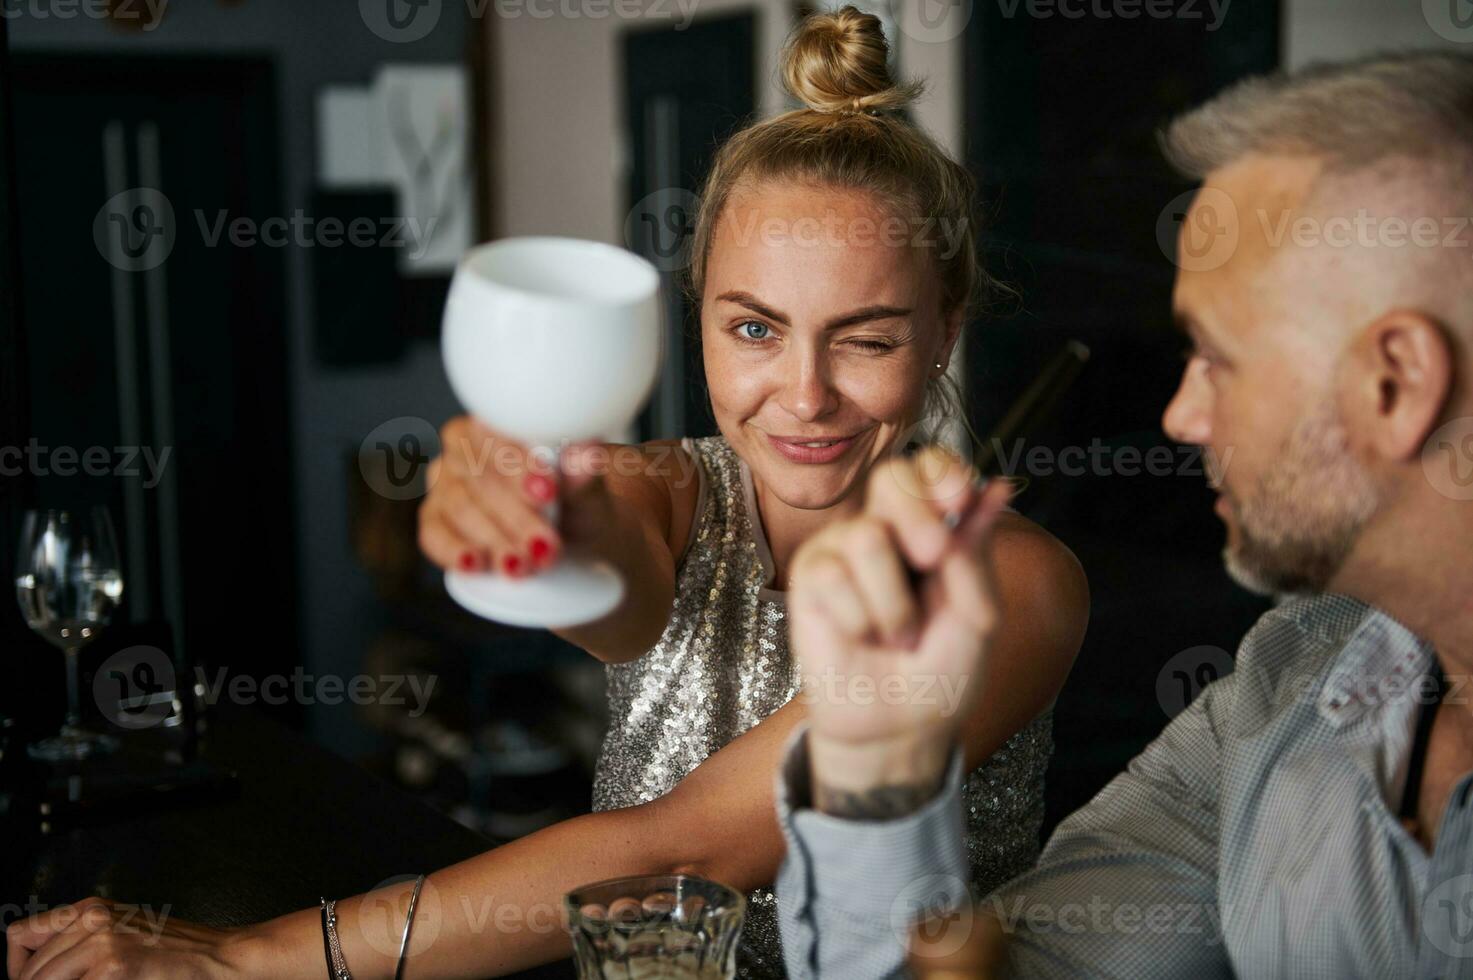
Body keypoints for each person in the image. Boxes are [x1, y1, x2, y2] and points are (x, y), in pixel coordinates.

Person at [3, 8, 1088, 979]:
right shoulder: (669, 485)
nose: (803, 396)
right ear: (699, 309)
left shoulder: (1012, 584)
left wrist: (251, 957)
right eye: (754, 328)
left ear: (945, 329)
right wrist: (545, 538)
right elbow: (619, 587)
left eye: (868, 339)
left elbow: (689, 842)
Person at [773, 49, 1473, 979]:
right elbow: (1016, 968)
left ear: (1395, 382)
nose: (1180, 416)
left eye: (1216, 358)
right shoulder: (1277, 691)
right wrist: (872, 764)